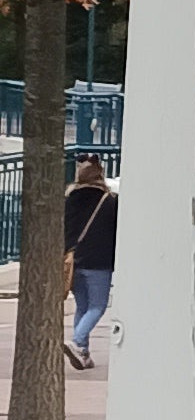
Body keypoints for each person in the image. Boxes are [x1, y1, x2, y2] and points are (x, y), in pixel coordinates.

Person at [61, 154, 116, 366]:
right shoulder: (109, 202)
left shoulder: (69, 199)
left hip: (74, 260)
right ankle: (77, 341)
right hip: (98, 262)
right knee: (98, 306)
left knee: (83, 306)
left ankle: (83, 353)